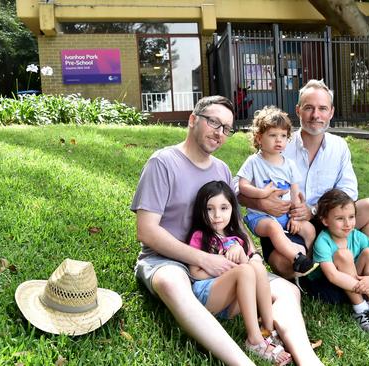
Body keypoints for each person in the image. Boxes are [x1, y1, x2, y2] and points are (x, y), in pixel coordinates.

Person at [132, 95, 323, 366]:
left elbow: (236, 225)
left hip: (222, 257)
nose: (219, 133)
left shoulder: (221, 170)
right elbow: (147, 231)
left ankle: (308, 360)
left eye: (226, 128)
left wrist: (253, 253)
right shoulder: (162, 163)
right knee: (171, 283)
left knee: (287, 291)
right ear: (193, 120)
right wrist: (202, 259)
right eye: (213, 123)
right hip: (168, 260)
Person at [239, 79, 369, 284]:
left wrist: (314, 210)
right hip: (287, 226)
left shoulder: (339, 147)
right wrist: (261, 202)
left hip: (327, 220)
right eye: (309, 108)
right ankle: (316, 274)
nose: (315, 115)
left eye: (322, 108)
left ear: (331, 112)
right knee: (285, 263)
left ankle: (364, 274)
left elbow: (349, 190)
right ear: (298, 110)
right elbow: (237, 190)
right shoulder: (279, 142)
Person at [187, 181, 291, 365]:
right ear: (200, 211)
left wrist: (242, 254)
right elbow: (195, 274)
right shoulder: (199, 236)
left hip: (235, 302)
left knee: (257, 266)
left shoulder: (237, 237)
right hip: (209, 295)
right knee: (245, 270)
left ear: (232, 209)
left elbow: (250, 274)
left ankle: (267, 328)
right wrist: (225, 269)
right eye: (209, 209)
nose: (217, 215)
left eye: (223, 208)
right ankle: (255, 340)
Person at [237, 106, 318, 277]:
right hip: (260, 217)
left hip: (286, 215)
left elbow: (295, 194)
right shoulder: (253, 162)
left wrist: (295, 217)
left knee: (309, 229)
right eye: (272, 135)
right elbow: (242, 186)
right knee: (274, 228)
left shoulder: (289, 164)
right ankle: (296, 258)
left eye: (283, 136)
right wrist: (262, 193)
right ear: (259, 138)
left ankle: (309, 263)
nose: (278, 140)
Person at [313, 189, 369, 337]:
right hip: (332, 288)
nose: (347, 224)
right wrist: (367, 289)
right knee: (343, 255)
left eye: (351, 217)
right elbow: (332, 276)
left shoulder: (357, 236)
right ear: (325, 220)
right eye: (340, 218)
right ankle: (361, 310)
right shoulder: (323, 241)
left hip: (355, 284)